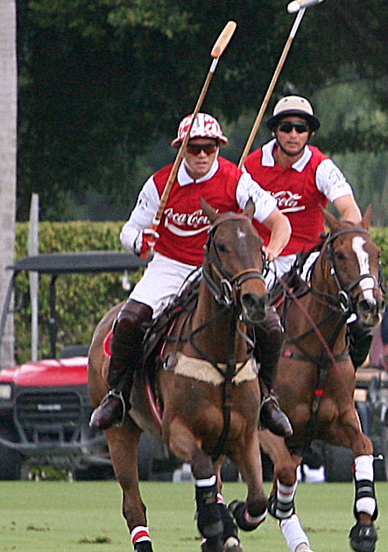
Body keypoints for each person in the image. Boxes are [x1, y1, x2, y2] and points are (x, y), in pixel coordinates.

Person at [89, 112, 294, 437]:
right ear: (181, 149)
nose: (202, 155)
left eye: (209, 148)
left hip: (223, 269)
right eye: (194, 147)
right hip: (171, 265)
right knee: (130, 319)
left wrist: (269, 252)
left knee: (270, 326)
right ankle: (117, 393)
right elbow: (129, 230)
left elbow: (281, 223)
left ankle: (267, 398)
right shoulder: (160, 184)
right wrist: (140, 242)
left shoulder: (236, 180)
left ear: (218, 147)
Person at [242, 95, 372, 368]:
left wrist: (346, 234)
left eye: (301, 128)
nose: (293, 135)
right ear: (275, 131)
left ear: (309, 133)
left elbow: (350, 209)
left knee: (355, 315)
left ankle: (346, 369)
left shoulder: (321, 166)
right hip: (266, 255)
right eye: (286, 127)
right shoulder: (251, 165)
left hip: (310, 256)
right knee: (250, 314)